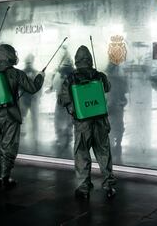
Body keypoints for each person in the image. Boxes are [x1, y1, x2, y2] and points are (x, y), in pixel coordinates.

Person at [58, 45, 116, 199]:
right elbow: (108, 88)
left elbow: (63, 99)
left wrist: (73, 110)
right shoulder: (99, 75)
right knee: (104, 153)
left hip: (83, 123)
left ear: (77, 61)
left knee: (82, 153)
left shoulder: (71, 78)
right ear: (90, 60)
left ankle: (84, 187)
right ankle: (109, 185)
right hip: (100, 121)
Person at [0, 44, 44, 190]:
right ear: (11, 55)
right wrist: (40, 77)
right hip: (11, 115)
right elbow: (32, 88)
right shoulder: (16, 73)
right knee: (9, 147)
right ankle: (5, 177)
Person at [47, 52, 74, 156]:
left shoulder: (59, 73)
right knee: (70, 121)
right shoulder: (74, 72)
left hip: (60, 101)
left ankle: (60, 139)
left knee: (58, 121)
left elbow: (54, 87)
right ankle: (69, 138)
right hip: (72, 102)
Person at [105, 62, 129, 156]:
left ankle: (114, 145)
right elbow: (125, 93)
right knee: (117, 126)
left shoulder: (106, 80)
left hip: (112, 106)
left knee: (112, 126)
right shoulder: (120, 80)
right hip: (116, 106)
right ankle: (117, 144)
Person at [20, 54, 41, 143]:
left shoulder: (21, 72)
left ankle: (26, 132)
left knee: (23, 116)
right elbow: (39, 86)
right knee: (32, 117)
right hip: (31, 98)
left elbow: (18, 86)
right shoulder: (36, 72)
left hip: (26, 98)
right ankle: (34, 134)